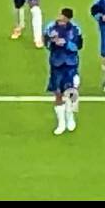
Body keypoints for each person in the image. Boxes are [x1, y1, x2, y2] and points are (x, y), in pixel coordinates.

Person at [44, 7, 83, 135]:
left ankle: (70, 117)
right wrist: (52, 41)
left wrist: (65, 43)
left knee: (71, 92)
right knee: (58, 93)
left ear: (67, 18)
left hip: (70, 64)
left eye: (61, 15)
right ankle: (61, 122)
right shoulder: (51, 27)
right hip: (56, 64)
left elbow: (78, 45)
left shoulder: (75, 29)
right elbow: (46, 43)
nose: (59, 17)